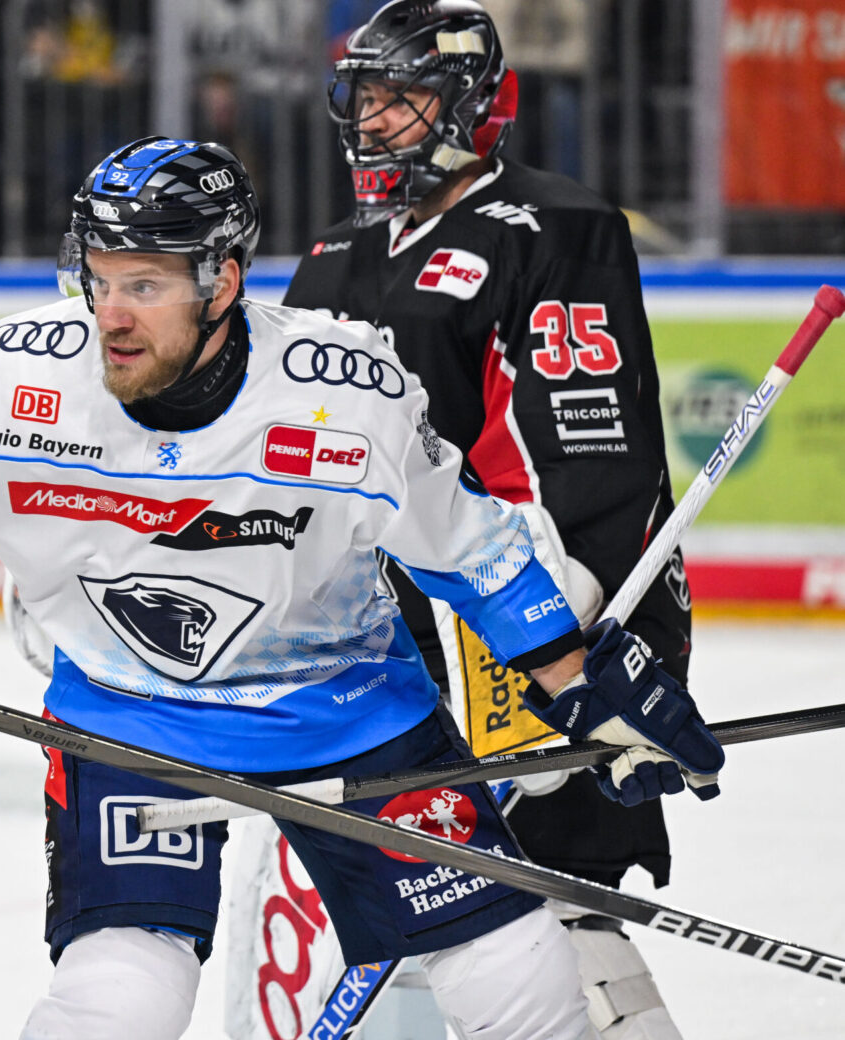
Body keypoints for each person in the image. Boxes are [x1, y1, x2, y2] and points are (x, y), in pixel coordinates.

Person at [0, 135, 723, 1040]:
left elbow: (469, 546)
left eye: (143, 286)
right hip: (129, 719)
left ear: (222, 282)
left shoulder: (344, 394)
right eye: (97, 279)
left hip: (349, 711)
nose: (109, 315)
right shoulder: (8, 375)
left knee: (518, 975)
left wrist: (577, 683)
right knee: (121, 998)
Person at [282, 3, 693, 1035]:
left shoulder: (555, 227)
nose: (374, 120)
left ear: (473, 105)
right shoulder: (332, 254)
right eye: (364, 97)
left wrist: (552, 647)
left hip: (538, 619)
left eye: (402, 97)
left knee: (549, 900)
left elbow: (596, 460)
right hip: (395, 647)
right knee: (420, 911)